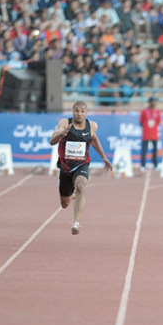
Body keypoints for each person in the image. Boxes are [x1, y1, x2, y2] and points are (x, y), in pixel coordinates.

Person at [49, 101, 113, 235]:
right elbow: (52, 141)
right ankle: (71, 195)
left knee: (81, 186)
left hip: (81, 165)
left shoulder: (92, 126)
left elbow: (94, 140)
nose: (79, 114)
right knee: (64, 204)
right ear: (72, 111)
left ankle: (76, 223)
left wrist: (103, 157)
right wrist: (62, 134)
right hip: (66, 167)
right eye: (76, 111)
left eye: (82, 111)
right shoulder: (65, 123)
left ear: (86, 113)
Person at [139, 96, 161, 171]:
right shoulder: (144, 111)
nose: (154, 103)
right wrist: (146, 126)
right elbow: (141, 122)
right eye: (153, 101)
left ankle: (155, 165)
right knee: (144, 150)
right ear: (150, 102)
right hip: (146, 134)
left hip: (154, 134)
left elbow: (158, 122)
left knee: (155, 150)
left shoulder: (157, 111)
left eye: (155, 101)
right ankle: (142, 165)